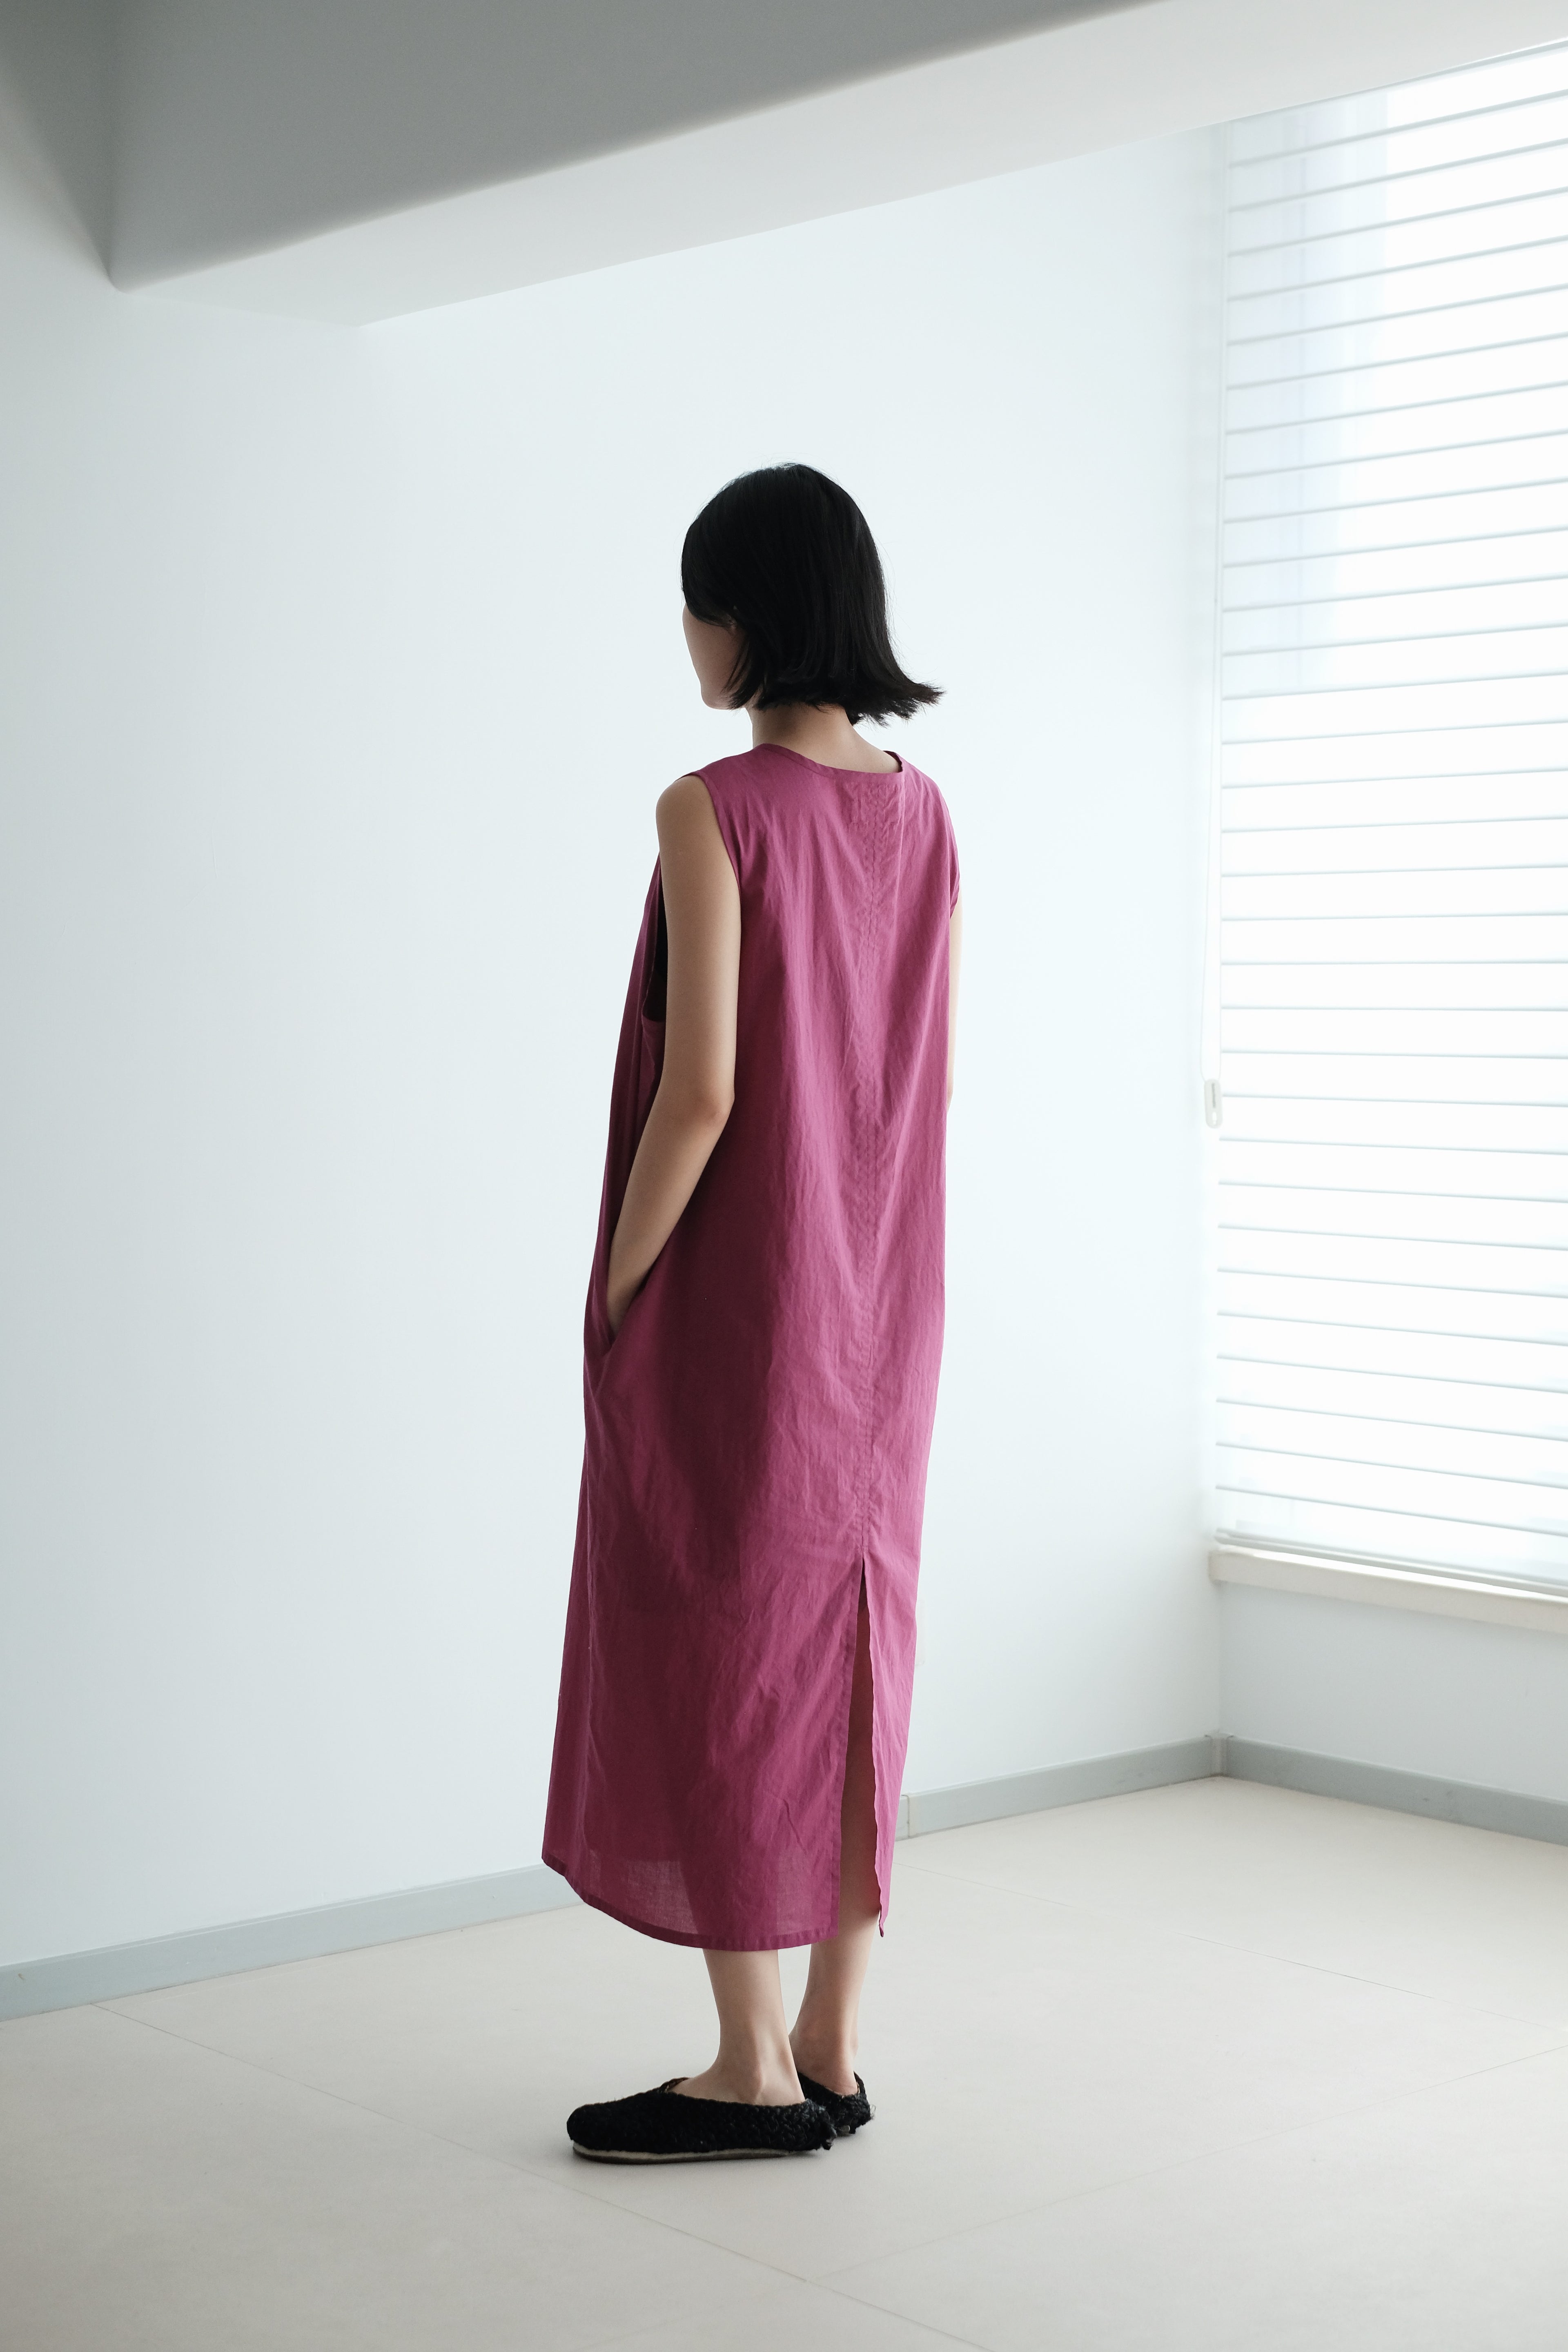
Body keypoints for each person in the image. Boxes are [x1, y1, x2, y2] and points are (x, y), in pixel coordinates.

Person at [543, 463, 961, 2164]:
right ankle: (833, 2045)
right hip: (886, 1298)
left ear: (748, 615)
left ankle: (748, 2066)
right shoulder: (925, 813)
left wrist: (618, 1282)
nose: (688, 633)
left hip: (746, 1296)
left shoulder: (710, 809)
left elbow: (702, 1093)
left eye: (698, 602)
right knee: (853, 1640)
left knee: (724, 1642)